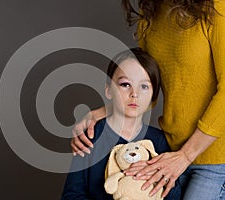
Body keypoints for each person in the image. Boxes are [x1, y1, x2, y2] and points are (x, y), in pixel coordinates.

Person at [71, 0, 225, 199]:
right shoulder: (150, 12)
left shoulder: (215, 6)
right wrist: (97, 115)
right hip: (168, 153)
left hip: (215, 159)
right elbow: (146, 86)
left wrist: (185, 156)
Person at [62, 48, 180, 200]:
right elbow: (71, 195)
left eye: (144, 86)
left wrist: (159, 177)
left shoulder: (159, 141)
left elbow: (174, 196)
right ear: (108, 90)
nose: (134, 94)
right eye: (125, 84)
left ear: (153, 97)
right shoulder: (90, 136)